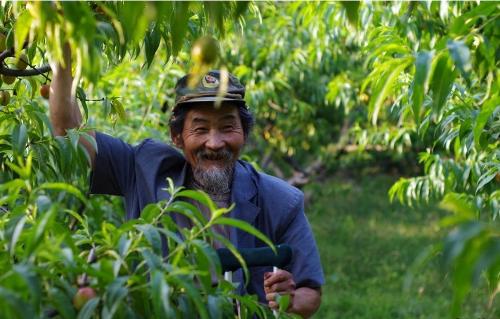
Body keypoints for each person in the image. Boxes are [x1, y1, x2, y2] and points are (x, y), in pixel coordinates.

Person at [50, 46, 324, 318]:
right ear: (177, 136)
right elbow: (68, 130)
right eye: (200, 128)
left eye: (228, 127)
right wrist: (64, 53)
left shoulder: (279, 200)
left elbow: (310, 293)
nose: (215, 143)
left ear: (244, 133)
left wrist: (288, 298)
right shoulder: (144, 168)